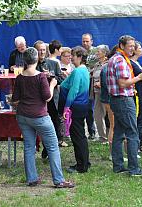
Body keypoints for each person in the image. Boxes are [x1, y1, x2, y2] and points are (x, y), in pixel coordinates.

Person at [11, 47, 74, 188]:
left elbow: (15, 100)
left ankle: (32, 179)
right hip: (39, 116)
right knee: (52, 147)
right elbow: (47, 97)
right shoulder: (41, 77)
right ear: (36, 59)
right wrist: (52, 84)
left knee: (29, 146)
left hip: (23, 116)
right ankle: (58, 180)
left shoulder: (20, 77)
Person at [106, 35, 142, 176]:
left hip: (116, 99)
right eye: (130, 46)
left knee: (118, 133)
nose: (133, 48)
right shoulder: (121, 61)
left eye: (133, 46)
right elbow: (123, 83)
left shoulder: (114, 59)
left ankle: (118, 166)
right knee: (132, 133)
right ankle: (134, 169)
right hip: (123, 99)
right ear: (122, 46)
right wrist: (138, 78)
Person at [58, 46, 91, 173]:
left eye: (74, 55)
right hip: (82, 106)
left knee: (77, 136)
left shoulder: (78, 71)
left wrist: (66, 106)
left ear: (80, 57)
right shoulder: (84, 70)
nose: (71, 58)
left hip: (75, 106)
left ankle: (81, 166)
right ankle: (85, 162)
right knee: (80, 135)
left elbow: (74, 90)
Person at [34, 40, 67, 152]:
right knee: (42, 124)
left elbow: (61, 79)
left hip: (53, 98)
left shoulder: (53, 63)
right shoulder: (31, 65)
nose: (42, 52)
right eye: (39, 50)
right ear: (35, 51)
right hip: (38, 99)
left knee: (55, 122)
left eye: (43, 50)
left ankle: (50, 148)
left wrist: (52, 76)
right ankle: (44, 146)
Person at [91, 45, 109, 143]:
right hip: (97, 93)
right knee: (98, 114)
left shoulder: (108, 64)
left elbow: (110, 77)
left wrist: (101, 84)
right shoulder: (97, 64)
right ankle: (103, 136)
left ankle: (105, 137)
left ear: (104, 53)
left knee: (104, 115)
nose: (96, 53)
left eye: (98, 51)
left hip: (105, 92)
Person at [81, 33, 96, 139]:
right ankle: (84, 131)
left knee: (91, 107)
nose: (85, 43)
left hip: (93, 82)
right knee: (84, 107)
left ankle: (93, 131)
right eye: (83, 41)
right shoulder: (80, 52)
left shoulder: (96, 52)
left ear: (92, 41)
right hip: (83, 82)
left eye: (87, 41)